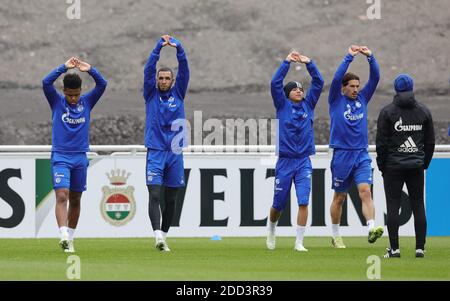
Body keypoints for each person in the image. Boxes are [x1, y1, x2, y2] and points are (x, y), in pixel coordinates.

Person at [42, 57, 107, 253]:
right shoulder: (56, 102)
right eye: (70, 95)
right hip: (61, 156)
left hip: (80, 157)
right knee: (62, 195)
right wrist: (63, 67)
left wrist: (91, 70)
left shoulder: (87, 102)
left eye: (76, 95)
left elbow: (103, 84)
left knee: (76, 198)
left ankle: (70, 238)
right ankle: (62, 234)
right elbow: (45, 82)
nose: (73, 99)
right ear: (64, 92)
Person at [266, 50, 324, 252]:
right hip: (285, 161)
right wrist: (286, 62)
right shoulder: (282, 105)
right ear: (287, 93)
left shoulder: (309, 105)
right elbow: (274, 83)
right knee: (278, 204)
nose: (299, 91)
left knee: (303, 200)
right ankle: (271, 229)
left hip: (303, 161)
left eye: (301, 89)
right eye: (294, 89)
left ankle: (299, 242)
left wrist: (310, 63)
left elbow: (318, 82)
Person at [328, 45, 383, 248]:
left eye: (357, 86)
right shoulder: (335, 99)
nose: (355, 89)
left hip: (361, 154)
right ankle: (336, 236)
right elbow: (335, 79)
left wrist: (370, 57)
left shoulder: (363, 98)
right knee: (340, 197)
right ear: (344, 87)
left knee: (365, 191)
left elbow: (375, 78)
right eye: (351, 86)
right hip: (342, 154)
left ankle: (371, 228)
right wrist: (348, 57)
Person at [376, 74, 435, 258]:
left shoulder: (387, 112)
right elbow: (430, 142)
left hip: (393, 165)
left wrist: (382, 164)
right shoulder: (423, 111)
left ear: (395, 89)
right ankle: (420, 248)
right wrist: (424, 163)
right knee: (418, 204)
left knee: (393, 206)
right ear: (412, 88)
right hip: (416, 165)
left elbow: (381, 143)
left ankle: (394, 249)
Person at [143, 35, 189, 252]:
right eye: (160, 78)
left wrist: (178, 47)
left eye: (166, 78)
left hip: (175, 152)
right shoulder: (150, 94)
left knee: (171, 198)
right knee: (154, 194)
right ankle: (158, 237)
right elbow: (148, 69)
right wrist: (158, 48)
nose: (162, 81)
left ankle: (165, 234)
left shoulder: (178, 93)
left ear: (172, 81)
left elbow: (185, 68)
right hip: (156, 151)